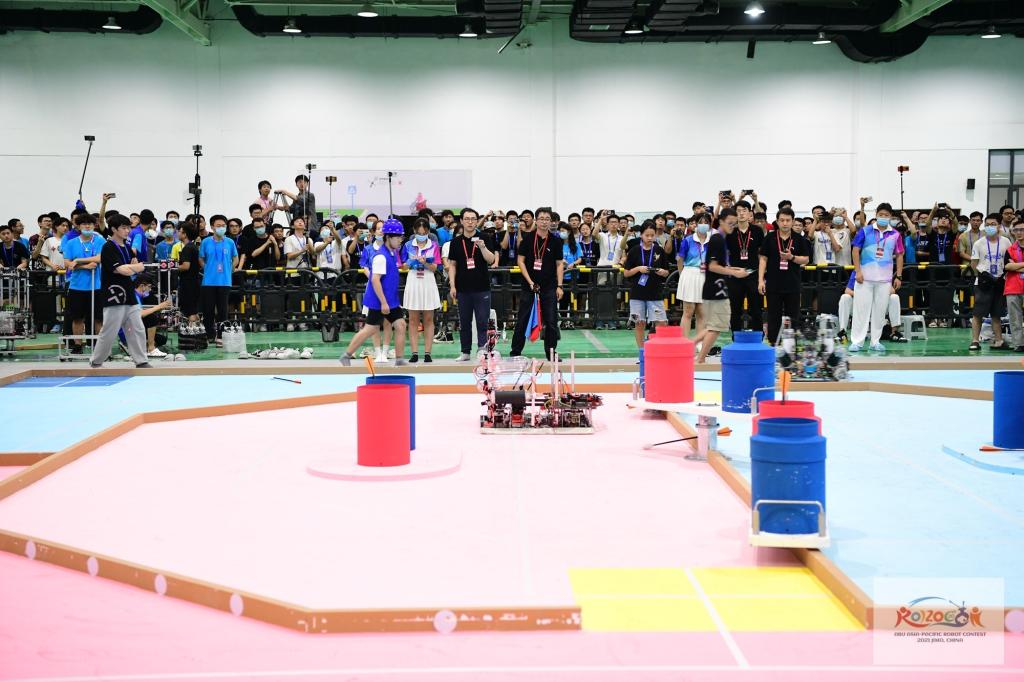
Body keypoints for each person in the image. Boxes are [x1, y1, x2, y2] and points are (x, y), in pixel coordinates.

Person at [339, 219, 407, 367]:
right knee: (370, 328)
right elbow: (375, 280)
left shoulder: (392, 253)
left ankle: (400, 359)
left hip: (389, 299)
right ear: (388, 237)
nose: (400, 240)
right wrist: (383, 302)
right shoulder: (381, 257)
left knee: (401, 325)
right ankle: (346, 355)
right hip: (379, 300)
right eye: (398, 237)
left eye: (401, 237)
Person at [88, 214, 150, 369]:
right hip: (114, 295)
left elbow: (132, 266)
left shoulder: (127, 247)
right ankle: (96, 360)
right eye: (123, 227)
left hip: (129, 293)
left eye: (128, 227)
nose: (127, 230)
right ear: (114, 229)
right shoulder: (108, 247)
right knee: (109, 331)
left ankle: (141, 360)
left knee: (137, 328)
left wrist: (132, 267)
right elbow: (122, 270)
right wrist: (135, 267)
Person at [696, 210, 752, 363]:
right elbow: (712, 266)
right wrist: (734, 273)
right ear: (721, 221)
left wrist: (735, 269)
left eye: (735, 223)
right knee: (716, 327)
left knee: (712, 327)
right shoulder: (717, 239)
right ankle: (700, 359)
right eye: (730, 223)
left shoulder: (720, 239)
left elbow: (719, 265)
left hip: (716, 288)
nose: (733, 226)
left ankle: (690, 348)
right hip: (716, 290)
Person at [849, 203, 905, 353]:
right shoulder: (865, 231)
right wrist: (858, 271)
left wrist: (899, 276)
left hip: (884, 280)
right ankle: (857, 342)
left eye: (886, 215)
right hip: (864, 278)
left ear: (891, 217)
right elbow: (855, 250)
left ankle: (875, 342)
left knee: (880, 313)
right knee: (861, 311)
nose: (883, 217)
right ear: (876, 214)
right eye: (881, 215)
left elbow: (900, 255)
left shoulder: (895, 234)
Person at [510, 207, 563, 360]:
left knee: (551, 321)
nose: (544, 222)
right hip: (529, 286)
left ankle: (551, 353)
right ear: (536, 220)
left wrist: (559, 286)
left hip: (549, 287)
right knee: (522, 319)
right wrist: (530, 282)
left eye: (547, 219)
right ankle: (515, 352)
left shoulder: (556, 241)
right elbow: (520, 261)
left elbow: (559, 264)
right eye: (541, 219)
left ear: (551, 221)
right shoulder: (527, 239)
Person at [447, 208, 499, 362]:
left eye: (473, 219)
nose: (470, 222)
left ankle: (482, 349)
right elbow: (452, 265)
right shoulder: (455, 242)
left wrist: (482, 247)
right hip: (462, 288)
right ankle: (465, 351)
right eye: (467, 219)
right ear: (461, 221)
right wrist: (452, 286)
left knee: (483, 321)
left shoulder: (484, 238)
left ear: (477, 221)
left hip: (482, 287)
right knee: (464, 322)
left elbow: (491, 260)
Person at [758, 207, 810, 344]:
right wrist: (760, 280)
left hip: (792, 283)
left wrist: (792, 257)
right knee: (773, 315)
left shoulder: (799, 239)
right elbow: (763, 259)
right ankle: (773, 343)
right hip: (773, 283)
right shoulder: (770, 238)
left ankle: (790, 344)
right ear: (777, 221)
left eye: (788, 220)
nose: (785, 223)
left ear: (793, 221)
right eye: (782, 220)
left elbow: (806, 259)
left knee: (793, 316)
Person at [62, 214, 106, 352]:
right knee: (77, 318)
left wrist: (78, 261)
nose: (87, 226)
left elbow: (100, 258)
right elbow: (67, 263)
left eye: (90, 224)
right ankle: (77, 345)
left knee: (99, 318)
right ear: (78, 226)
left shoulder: (100, 241)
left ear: (94, 226)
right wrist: (85, 266)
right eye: (84, 224)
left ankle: (100, 346)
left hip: (97, 286)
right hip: (77, 286)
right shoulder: (71, 243)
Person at [622, 221, 670, 349]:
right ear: (641, 235)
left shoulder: (659, 250)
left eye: (652, 235)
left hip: (655, 293)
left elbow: (667, 272)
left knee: (661, 323)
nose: (649, 238)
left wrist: (662, 272)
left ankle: (658, 349)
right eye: (647, 235)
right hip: (637, 293)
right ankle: (642, 351)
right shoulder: (634, 251)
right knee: (639, 323)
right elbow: (626, 273)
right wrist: (638, 269)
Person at [969, 214, 1013, 352]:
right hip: (983, 282)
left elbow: (1009, 260)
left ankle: (999, 340)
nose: (990, 227)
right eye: (987, 224)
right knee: (978, 313)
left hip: (1000, 281)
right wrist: (982, 275)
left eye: (993, 224)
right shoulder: (979, 243)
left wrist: (1003, 276)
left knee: (996, 313)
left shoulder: (1006, 242)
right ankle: (975, 340)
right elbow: (974, 263)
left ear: (999, 225)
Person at [403, 218, 441, 363]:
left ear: (428, 232)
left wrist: (425, 262)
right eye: (419, 233)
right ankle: (414, 353)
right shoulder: (408, 245)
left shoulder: (434, 245)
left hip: (428, 280)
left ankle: (427, 353)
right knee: (413, 319)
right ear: (414, 231)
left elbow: (435, 267)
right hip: (413, 280)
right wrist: (411, 262)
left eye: (424, 233)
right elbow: (403, 266)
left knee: (428, 319)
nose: (421, 235)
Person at [198, 215, 239, 345]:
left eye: (223, 226)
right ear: (212, 227)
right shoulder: (206, 242)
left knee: (223, 310)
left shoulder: (230, 242)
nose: (221, 228)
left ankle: (221, 336)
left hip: (224, 281)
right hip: (208, 282)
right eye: (218, 225)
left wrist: (230, 269)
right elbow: (201, 258)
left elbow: (235, 258)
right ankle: (209, 335)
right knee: (208, 310)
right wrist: (206, 268)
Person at [837, 271, 906, 343]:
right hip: (860, 307)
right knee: (845, 297)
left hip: (878, 307)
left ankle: (894, 333)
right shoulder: (857, 272)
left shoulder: (882, 271)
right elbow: (847, 290)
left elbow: (892, 290)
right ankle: (842, 332)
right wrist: (861, 294)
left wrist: (876, 295)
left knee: (894, 297)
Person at [725, 205, 763, 332]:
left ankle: (758, 335)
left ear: (750, 213)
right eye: (738, 211)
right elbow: (725, 253)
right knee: (735, 308)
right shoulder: (730, 231)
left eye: (744, 211)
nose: (741, 213)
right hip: (735, 275)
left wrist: (761, 275)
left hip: (753, 274)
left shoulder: (757, 230)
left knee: (756, 308)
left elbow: (762, 254)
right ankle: (735, 335)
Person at [676, 215, 712, 340]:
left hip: (705, 276)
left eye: (706, 222)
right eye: (701, 222)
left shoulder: (712, 241)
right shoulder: (688, 240)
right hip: (689, 274)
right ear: (696, 224)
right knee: (688, 311)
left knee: (702, 312)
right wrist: (682, 275)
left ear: (709, 225)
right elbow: (680, 259)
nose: (703, 224)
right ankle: (684, 342)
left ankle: (700, 343)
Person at [132, 274, 172, 358]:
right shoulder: (134, 296)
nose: (150, 290)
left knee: (161, 340)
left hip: (134, 326)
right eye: (149, 287)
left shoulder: (138, 296)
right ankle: (151, 349)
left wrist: (161, 307)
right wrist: (159, 306)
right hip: (129, 330)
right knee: (151, 318)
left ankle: (143, 345)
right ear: (142, 286)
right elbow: (140, 314)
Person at [1003, 223, 1024, 352]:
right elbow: (1007, 266)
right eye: (1016, 230)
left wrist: (1016, 265)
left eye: (1022, 229)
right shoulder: (1010, 250)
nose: (1019, 232)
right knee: (1015, 318)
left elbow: (1013, 266)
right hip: (1013, 287)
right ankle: (1019, 344)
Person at [176, 222, 201, 324]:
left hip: (188, 283)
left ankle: (192, 331)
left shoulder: (187, 248)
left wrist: (173, 267)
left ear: (185, 234)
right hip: (194, 282)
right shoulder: (193, 247)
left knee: (190, 311)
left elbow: (186, 266)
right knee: (194, 310)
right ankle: (198, 329)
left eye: (179, 231)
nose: (177, 233)